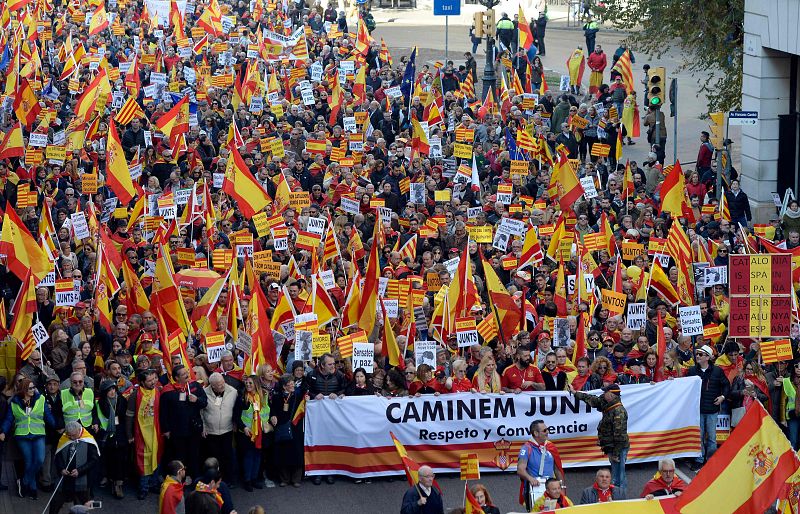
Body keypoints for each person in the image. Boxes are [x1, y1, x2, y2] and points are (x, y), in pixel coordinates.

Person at [0, 377, 56, 499]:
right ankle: (33, 488)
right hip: (22, 435)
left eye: (34, 387)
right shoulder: (14, 402)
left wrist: (58, 426)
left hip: (38, 434)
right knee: (29, 461)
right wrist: (3, 431)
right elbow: (9, 419)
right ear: (23, 389)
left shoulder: (41, 399)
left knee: (40, 460)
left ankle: (24, 481)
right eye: (30, 388)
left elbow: (48, 415)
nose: (33, 390)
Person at [570, 383, 630, 490]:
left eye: (605, 392)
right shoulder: (607, 404)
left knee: (619, 476)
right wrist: (575, 393)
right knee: (616, 474)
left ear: (611, 395)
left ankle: (620, 497)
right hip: (612, 446)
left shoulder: (618, 411)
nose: (603, 394)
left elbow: (619, 435)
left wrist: (616, 453)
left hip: (618, 448)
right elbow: (592, 399)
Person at [161, 365, 208, 481]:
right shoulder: (168, 391)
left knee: (194, 454)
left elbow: (205, 402)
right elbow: (163, 413)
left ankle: (194, 476)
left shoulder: (195, 385)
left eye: (186, 372)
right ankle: (181, 478)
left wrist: (197, 400)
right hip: (178, 430)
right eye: (183, 374)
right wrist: (166, 429)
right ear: (176, 378)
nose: (187, 375)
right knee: (180, 455)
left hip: (194, 429)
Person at [686, 344, 729, 470]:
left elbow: (726, 385)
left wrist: (723, 397)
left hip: (711, 410)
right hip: (697, 410)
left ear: (708, 357)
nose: (697, 356)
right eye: (697, 354)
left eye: (700, 354)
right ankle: (699, 459)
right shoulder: (692, 371)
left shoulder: (717, 371)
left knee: (711, 437)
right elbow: (684, 386)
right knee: (698, 436)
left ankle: (711, 459)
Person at [125, 369, 163, 500]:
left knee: (156, 458)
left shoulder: (158, 391)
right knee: (143, 461)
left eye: (154, 379)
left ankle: (153, 484)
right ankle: (143, 488)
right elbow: (129, 416)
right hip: (140, 433)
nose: (153, 382)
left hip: (156, 433)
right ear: (142, 382)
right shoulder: (135, 395)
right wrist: (129, 435)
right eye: (150, 380)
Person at [49, 421, 99, 514]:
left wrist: (80, 471)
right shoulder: (64, 438)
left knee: (83, 507)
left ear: (79, 430)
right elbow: (58, 456)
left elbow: (94, 460)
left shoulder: (89, 440)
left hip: (82, 480)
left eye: (73, 435)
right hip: (65, 479)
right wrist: (61, 469)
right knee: (55, 503)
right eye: (69, 436)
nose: (71, 438)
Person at [517, 419, 564, 510]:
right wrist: (531, 479)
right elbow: (520, 469)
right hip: (536, 487)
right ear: (536, 433)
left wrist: (562, 487)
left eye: (547, 429)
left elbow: (557, 470)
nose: (547, 432)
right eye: (544, 430)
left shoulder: (551, 447)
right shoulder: (526, 448)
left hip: (551, 488)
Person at [202, 372, 240, 484]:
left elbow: (236, 410)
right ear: (212, 386)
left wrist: (235, 423)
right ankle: (214, 479)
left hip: (227, 430)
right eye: (219, 384)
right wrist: (203, 427)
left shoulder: (233, 392)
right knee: (214, 458)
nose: (222, 385)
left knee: (228, 456)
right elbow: (200, 412)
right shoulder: (204, 393)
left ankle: (229, 479)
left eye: (223, 382)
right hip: (211, 431)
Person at [269, 373, 305, 487]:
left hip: (296, 427)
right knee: (282, 453)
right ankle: (284, 478)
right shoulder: (277, 396)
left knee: (297, 453)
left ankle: (296, 478)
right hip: (281, 427)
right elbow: (272, 409)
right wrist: (273, 416)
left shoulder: (298, 395)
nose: (293, 385)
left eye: (293, 383)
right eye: (290, 384)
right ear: (284, 386)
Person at [95, 379, 128, 499]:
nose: (112, 392)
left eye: (113, 389)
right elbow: (97, 417)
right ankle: (111, 479)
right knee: (110, 459)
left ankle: (118, 484)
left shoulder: (122, 400)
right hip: (107, 436)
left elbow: (126, 419)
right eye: (109, 390)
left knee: (120, 459)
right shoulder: (101, 403)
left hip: (120, 434)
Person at [238, 375, 270, 491]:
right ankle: (247, 480)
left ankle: (255, 478)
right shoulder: (242, 397)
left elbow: (266, 410)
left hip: (261, 432)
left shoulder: (264, 396)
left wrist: (266, 424)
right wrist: (244, 427)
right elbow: (236, 416)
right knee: (248, 456)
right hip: (247, 433)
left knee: (258, 456)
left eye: (250, 383)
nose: (248, 385)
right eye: (246, 383)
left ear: (256, 384)